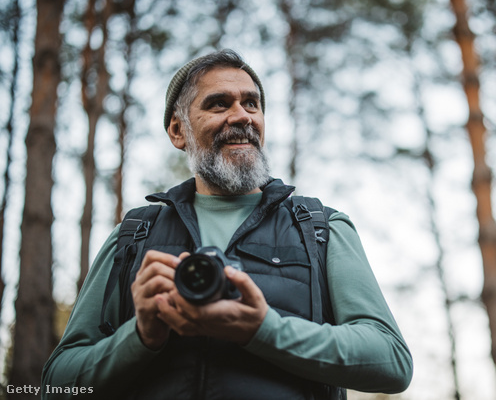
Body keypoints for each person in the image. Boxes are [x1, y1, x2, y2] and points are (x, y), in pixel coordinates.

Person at [42, 49, 413, 399]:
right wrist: (140, 337)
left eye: (251, 103)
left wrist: (263, 330)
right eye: (219, 103)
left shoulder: (319, 227)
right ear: (178, 131)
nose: (242, 116)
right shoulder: (134, 233)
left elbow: (391, 360)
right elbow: (56, 383)